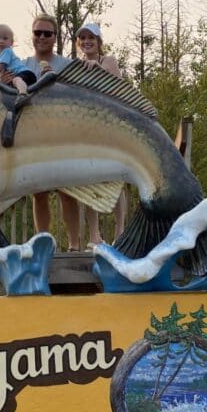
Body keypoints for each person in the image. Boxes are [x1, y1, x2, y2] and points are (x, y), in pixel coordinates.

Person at [0, 14, 82, 250]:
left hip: (62, 135)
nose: (42, 38)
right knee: (39, 193)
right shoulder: (21, 64)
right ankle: (43, 244)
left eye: (48, 33)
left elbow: (77, 96)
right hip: (33, 137)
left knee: (68, 192)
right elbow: (8, 98)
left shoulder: (66, 65)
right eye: (38, 33)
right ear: (32, 35)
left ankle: (74, 244)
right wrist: (6, 82)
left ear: (56, 37)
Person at [75, 22, 127, 247]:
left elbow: (118, 87)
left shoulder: (109, 61)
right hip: (87, 131)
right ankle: (94, 235)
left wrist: (97, 68)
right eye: (83, 38)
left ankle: (121, 230)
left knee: (114, 180)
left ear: (99, 42)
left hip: (110, 128)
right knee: (88, 182)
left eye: (91, 38)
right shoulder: (77, 66)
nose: (87, 41)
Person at [0, 24, 37, 95]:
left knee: (16, 80)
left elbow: (0, 66)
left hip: (25, 74)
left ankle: (23, 94)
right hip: (18, 77)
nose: (1, 41)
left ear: (11, 42)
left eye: (5, 38)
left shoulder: (7, 51)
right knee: (12, 83)